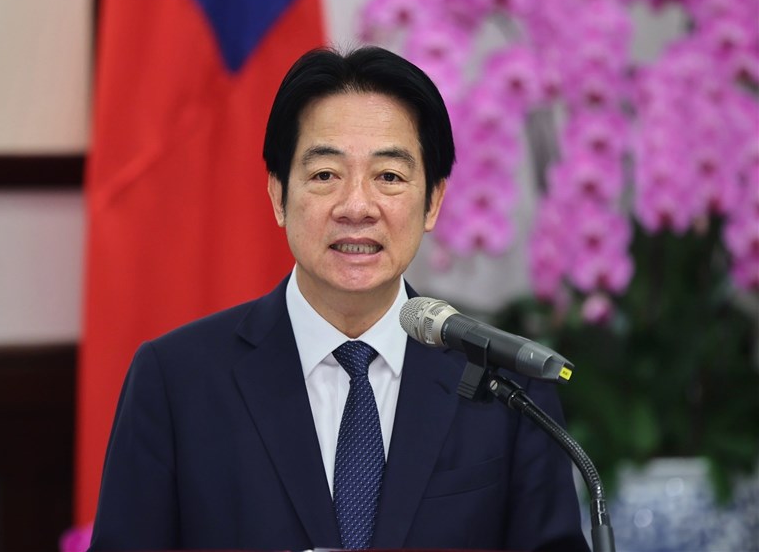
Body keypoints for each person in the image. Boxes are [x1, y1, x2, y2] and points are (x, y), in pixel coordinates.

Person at [89, 46, 590, 551]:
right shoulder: (175, 382)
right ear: (278, 195)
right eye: (325, 175)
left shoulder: (507, 388)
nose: (356, 206)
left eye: (389, 177)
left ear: (433, 201)